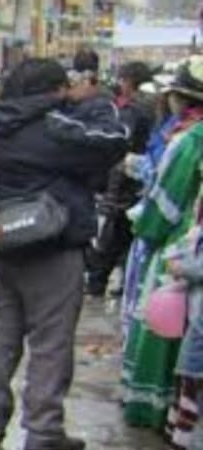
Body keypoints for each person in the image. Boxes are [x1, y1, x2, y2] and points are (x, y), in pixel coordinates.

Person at [0, 58, 126, 450]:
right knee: (51, 340)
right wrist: (94, 101)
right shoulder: (56, 128)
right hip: (51, 245)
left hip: (4, 241)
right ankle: (43, 427)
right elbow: (114, 141)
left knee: (0, 336)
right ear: (54, 90)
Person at [123, 58, 203, 437]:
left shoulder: (189, 140)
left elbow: (165, 202)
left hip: (182, 244)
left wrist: (146, 229)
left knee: (165, 324)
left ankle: (158, 412)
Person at [86, 60, 155, 301]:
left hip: (127, 180)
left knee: (112, 236)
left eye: (123, 80)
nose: (120, 84)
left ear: (130, 82)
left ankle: (98, 282)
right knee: (124, 236)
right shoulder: (150, 106)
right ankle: (119, 281)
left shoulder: (133, 110)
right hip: (138, 181)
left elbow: (120, 145)